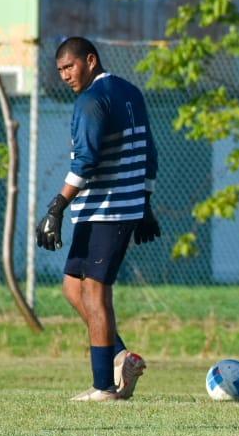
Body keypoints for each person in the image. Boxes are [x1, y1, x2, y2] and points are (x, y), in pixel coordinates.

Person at [36, 36, 160, 401]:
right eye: (59, 70)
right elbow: (149, 151)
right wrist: (146, 201)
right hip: (102, 210)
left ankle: (103, 386)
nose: (64, 76)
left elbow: (85, 162)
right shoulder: (130, 91)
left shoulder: (91, 100)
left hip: (110, 211)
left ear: (90, 60)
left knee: (95, 291)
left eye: (69, 67)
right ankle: (122, 356)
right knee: (73, 288)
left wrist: (56, 207)